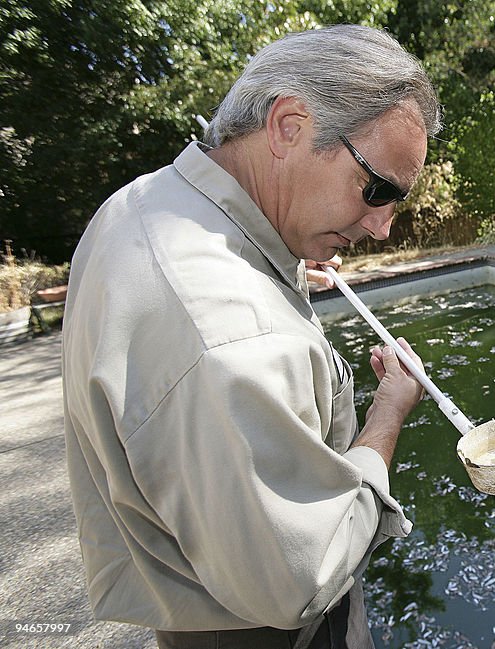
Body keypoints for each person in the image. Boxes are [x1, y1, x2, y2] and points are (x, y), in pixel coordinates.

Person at [61, 24, 441, 649]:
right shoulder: (229, 336)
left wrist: (282, 269)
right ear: (289, 126)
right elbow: (303, 580)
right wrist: (387, 414)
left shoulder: (140, 205)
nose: (381, 227)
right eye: (378, 189)